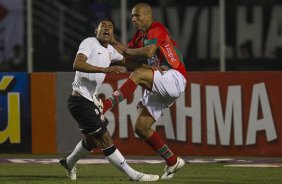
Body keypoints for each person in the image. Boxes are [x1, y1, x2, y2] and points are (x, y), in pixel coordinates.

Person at [59, 17, 159, 182]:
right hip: (79, 101)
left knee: (91, 142)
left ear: (112, 32)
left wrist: (151, 69)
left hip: (90, 101)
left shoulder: (110, 50)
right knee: (105, 138)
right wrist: (105, 69)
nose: (106, 28)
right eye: (103, 26)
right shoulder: (89, 42)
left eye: (110, 26)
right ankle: (134, 175)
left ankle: (69, 163)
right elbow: (77, 64)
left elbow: (129, 62)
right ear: (96, 31)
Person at [101, 3, 187, 180]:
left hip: (175, 77)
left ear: (148, 17)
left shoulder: (157, 28)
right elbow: (128, 56)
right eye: (132, 16)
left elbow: (148, 53)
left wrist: (125, 51)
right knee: (141, 127)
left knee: (138, 73)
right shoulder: (139, 36)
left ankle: (104, 107)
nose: (133, 19)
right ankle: (172, 161)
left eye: (137, 15)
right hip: (161, 80)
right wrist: (112, 46)